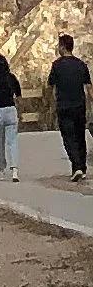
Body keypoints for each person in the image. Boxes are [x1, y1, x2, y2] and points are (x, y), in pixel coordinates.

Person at [48, 34, 92, 181]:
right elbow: (89, 88)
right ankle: (81, 168)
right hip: (79, 105)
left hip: (64, 106)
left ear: (62, 47)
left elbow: (50, 87)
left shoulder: (56, 65)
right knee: (80, 136)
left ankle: (77, 166)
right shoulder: (81, 65)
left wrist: (51, 105)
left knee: (68, 137)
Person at [0, 53, 22, 182]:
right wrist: (19, 112)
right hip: (11, 110)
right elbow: (18, 96)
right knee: (12, 141)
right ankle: (15, 171)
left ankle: (1, 171)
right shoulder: (11, 77)